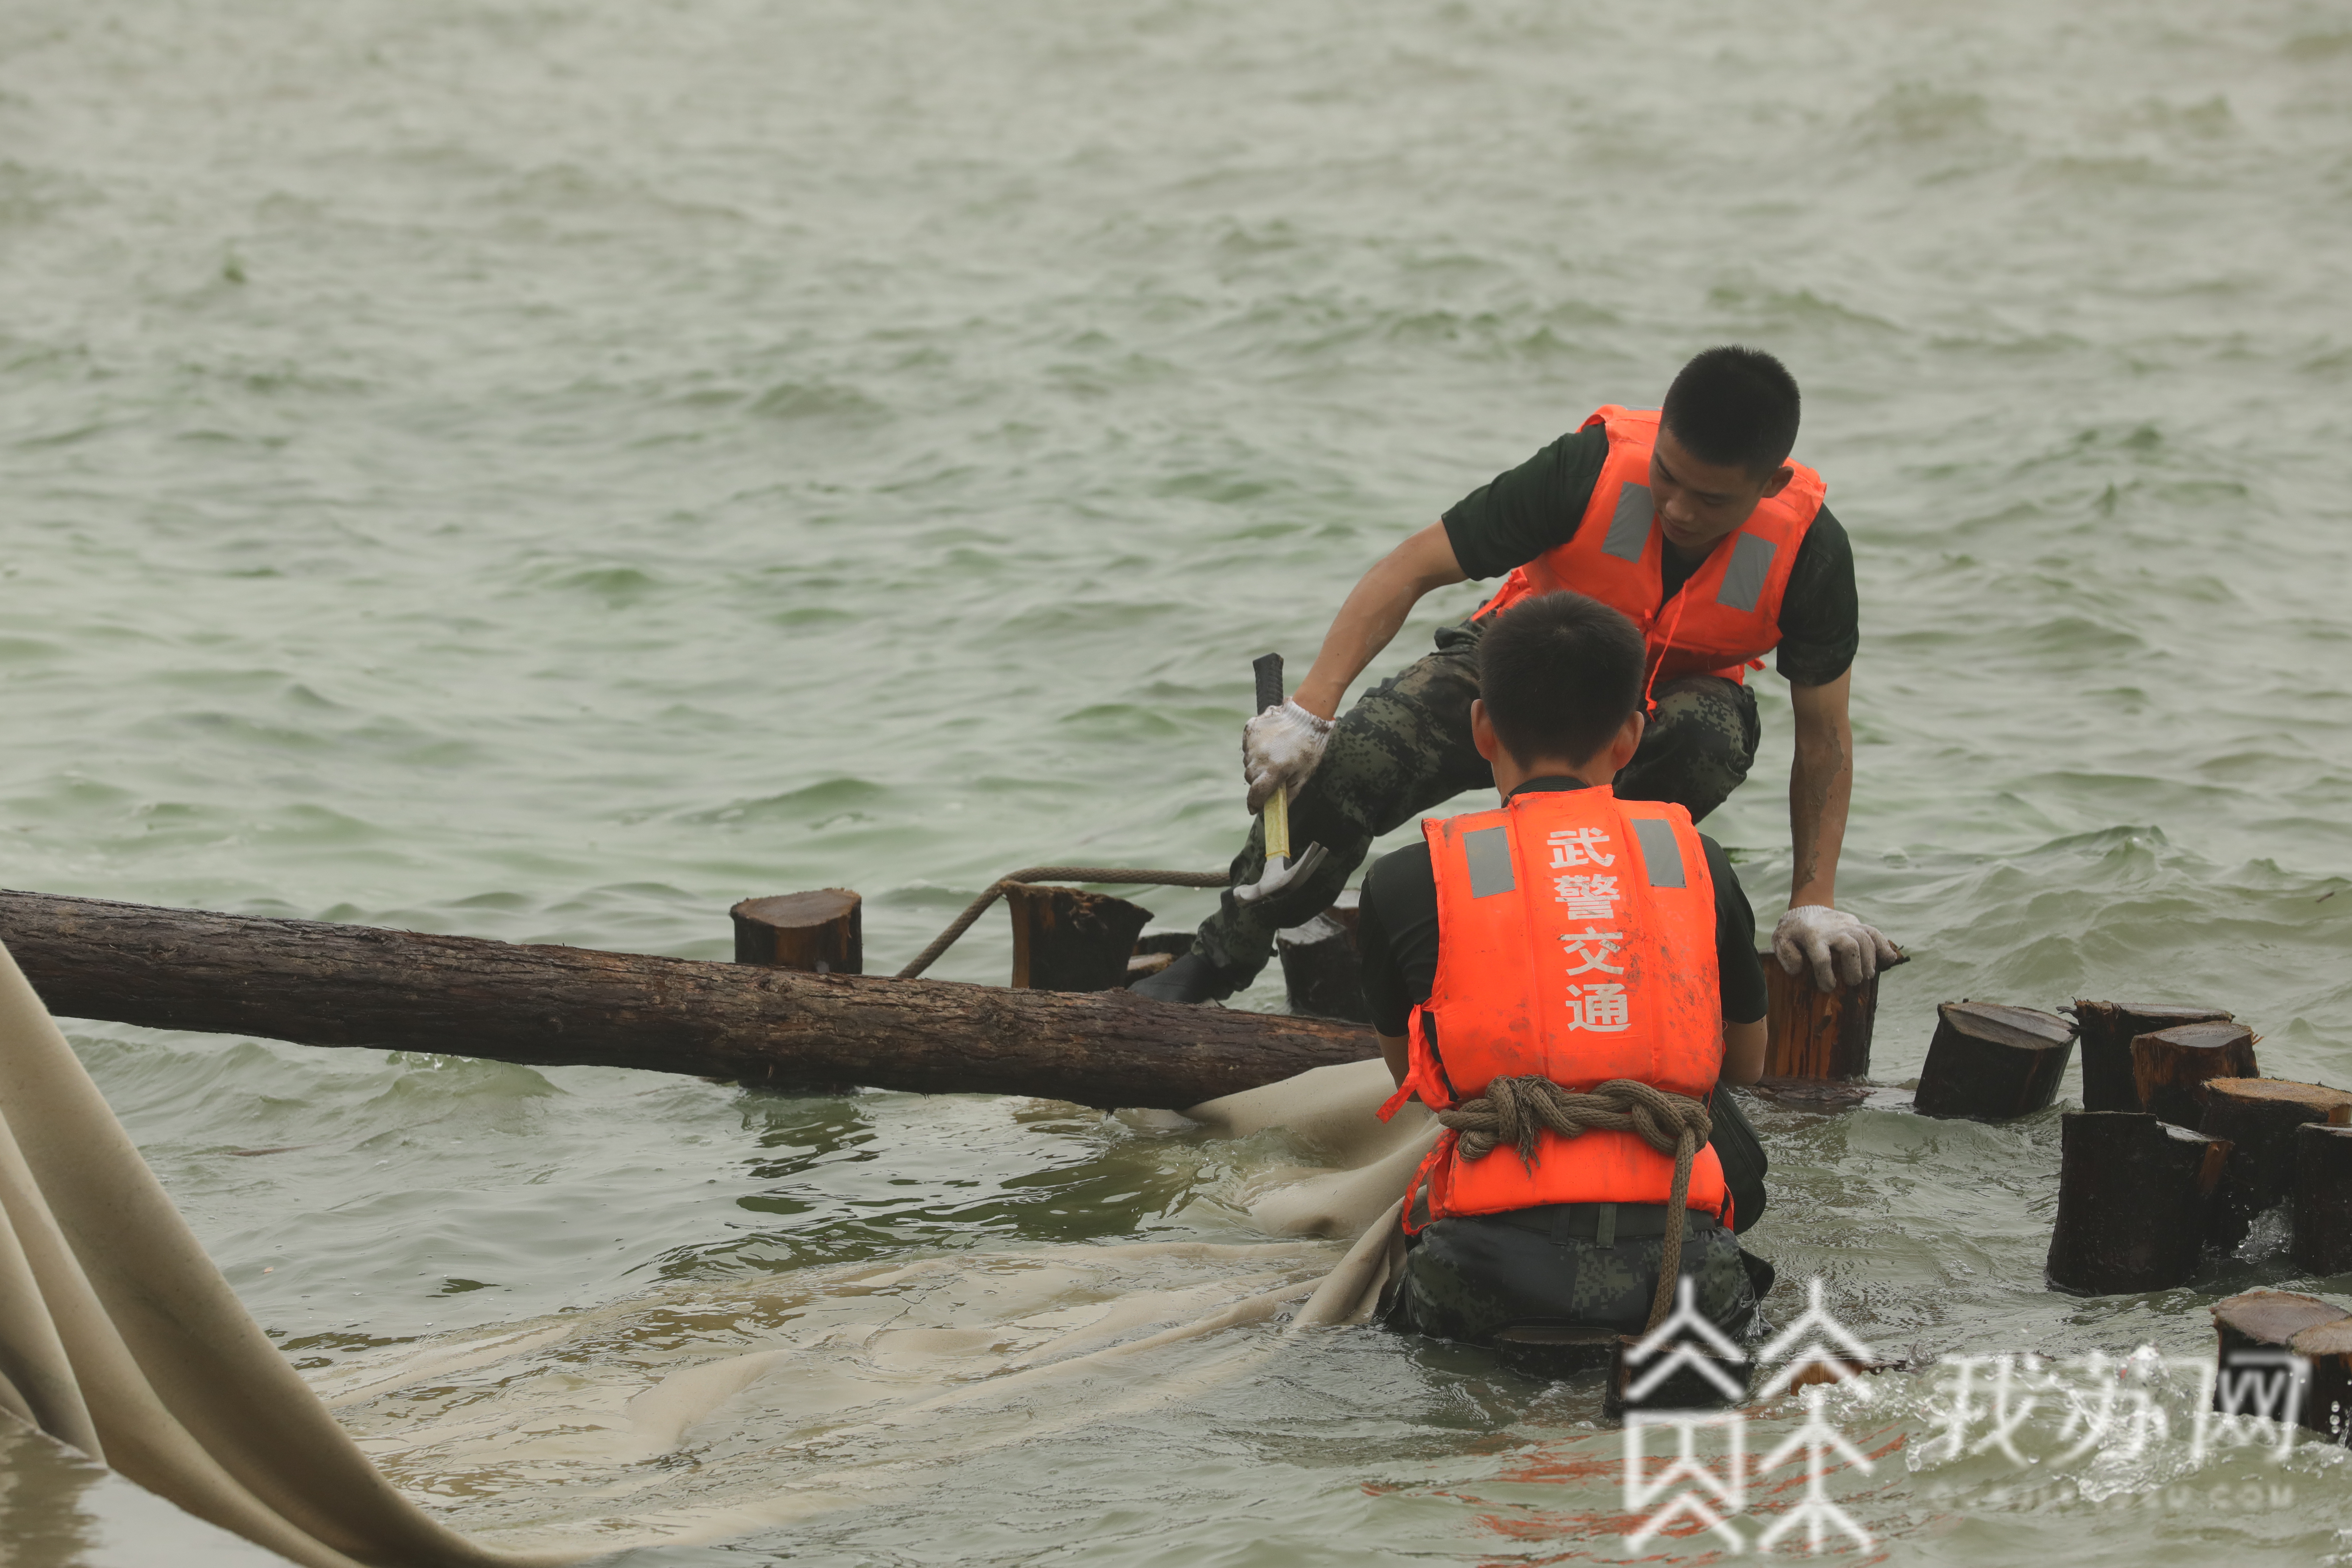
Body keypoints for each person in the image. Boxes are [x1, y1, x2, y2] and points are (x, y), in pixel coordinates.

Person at [1136, 345, 1897, 1005]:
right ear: (1658, 434)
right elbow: (1412, 566)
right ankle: (1221, 956)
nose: (1676, 507)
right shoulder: (1589, 466)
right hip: (1525, 648)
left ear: (1767, 487)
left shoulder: (1812, 552)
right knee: (1361, 751)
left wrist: (1813, 900)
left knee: (1710, 739)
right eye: (1667, 475)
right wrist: (1308, 711)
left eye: (1710, 498)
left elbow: (1825, 735)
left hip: (1671, 694)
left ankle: (1565, 930)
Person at [1362, 590, 1769, 1342]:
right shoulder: (1697, 861)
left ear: (1481, 726)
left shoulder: (1406, 878)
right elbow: (1744, 1059)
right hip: (1683, 1272)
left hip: (1482, 1272)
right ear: (1632, 735)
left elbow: (1418, 1082)